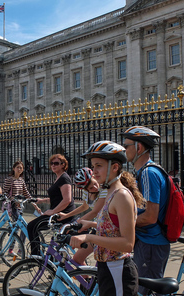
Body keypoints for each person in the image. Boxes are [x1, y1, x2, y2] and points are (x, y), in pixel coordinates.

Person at [70, 141, 144, 296]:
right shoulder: (110, 191)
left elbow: (127, 243)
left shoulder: (121, 195)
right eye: (93, 166)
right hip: (108, 268)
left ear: (115, 167)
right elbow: (113, 228)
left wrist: (89, 237)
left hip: (117, 270)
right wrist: (90, 224)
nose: (93, 171)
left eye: (99, 166)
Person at [120, 126, 170, 295]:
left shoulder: (148, 173)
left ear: (139, 147)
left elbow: (150, 216)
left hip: (151, 244)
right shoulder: (143, 172)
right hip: (148, 243)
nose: (123, 149)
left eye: (126, 146)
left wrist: (123, 225)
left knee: (143, 292)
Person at [27, 154, 75, 256]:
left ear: (63, 165)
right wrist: (42, 201)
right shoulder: (59, 178)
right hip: (57, 213)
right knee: (55, 243)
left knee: (31, 227)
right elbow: (57, 198)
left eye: (56, 163)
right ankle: (55, 259)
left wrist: (53, 211)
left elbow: (67, 200)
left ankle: (36, 256)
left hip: (62, 215)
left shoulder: (64, 178)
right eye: (52, 163)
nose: (53, 165)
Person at [58, 167, 106, 266]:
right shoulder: (86, 192)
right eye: (90, 188)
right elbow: (84, 206)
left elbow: (94, 212)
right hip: (96, 228)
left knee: (101, 264)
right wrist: (66, 215)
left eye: (94, 183)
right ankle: (88, 281)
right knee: (77, 259)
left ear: (93, 176)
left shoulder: (104, 189)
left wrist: (74, 224)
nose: (95, 187)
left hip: (106, 229)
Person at [2, 160, 41, 253]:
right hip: (12, 207)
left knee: (24, 228)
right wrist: (13, 199)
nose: (19, 169)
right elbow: (4, 193)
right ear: (13, 168)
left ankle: (20, 249)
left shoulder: (21, 180)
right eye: (17, 167)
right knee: (17, 227)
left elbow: (26, 194)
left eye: (21, 168)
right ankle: (11, 249)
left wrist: (35, 205)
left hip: (20, 207)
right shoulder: (9, 179)